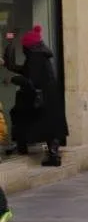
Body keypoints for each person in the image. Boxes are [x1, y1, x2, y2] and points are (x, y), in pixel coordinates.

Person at [4, 25, 68, 167]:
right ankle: (52, 154)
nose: (23, 49)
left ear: (28, 46)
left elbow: (30, 80)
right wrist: (10, 66)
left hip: (41, 98)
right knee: (51, 126)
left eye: (24, 46)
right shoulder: (39, 54)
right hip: (48, 97)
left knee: (23, 117)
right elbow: (27, 71)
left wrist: (13, 79)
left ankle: (47, 153)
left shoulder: (35, 57)